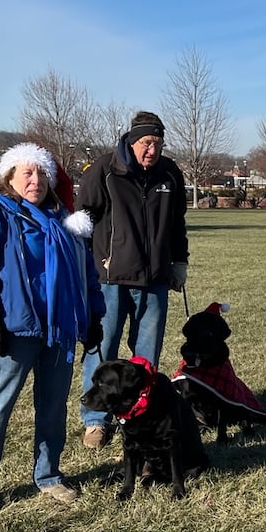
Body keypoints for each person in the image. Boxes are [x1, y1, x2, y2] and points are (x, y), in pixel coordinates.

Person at [0, 144, 105, 516]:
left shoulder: (64, 219)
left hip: (61, 330)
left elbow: (86, 275)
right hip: (16, 329)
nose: (34, 180)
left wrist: (93, 317)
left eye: (41, 173)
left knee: (52, 407)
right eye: (26, 173)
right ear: (10, 177)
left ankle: (49, 475)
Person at [78, 111, 190, 449]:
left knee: (147, 354)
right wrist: (85, 267)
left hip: (155, 278)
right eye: (146, 142)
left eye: (158, 143)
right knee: (103, 346)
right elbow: (84, 218)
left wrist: (180, 260)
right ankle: (96, 421)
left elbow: (177, 223)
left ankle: (142, 415)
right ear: (131, 140)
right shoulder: (105, 169)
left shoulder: (170, 174)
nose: (152, 150)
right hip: (110, 277)